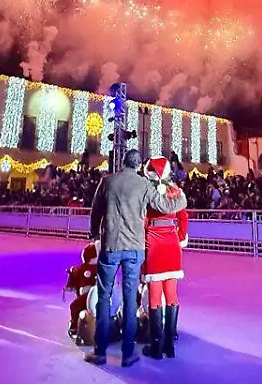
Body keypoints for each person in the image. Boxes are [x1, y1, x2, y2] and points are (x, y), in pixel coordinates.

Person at [85, 149, 187, 367]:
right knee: (131, 299)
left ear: (122, 162)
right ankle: (128, 353)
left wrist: (94, 232)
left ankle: (100, 351)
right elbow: (165, 206)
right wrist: (181, 195)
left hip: (111, 246)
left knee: (104, 297)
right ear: (138, 164)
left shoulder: (107, 181)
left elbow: (96, 210)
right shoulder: (144, 185)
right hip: (135, 248)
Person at [138, 157, 189, 360]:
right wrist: (180, 237)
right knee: (172, 295)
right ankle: (170, 344)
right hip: (172, 243)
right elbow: (183, 217)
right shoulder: (176, 191)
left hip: (153, 242)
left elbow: (143, 220)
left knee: (154, 295)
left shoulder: (146, 192)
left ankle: (156, 345)